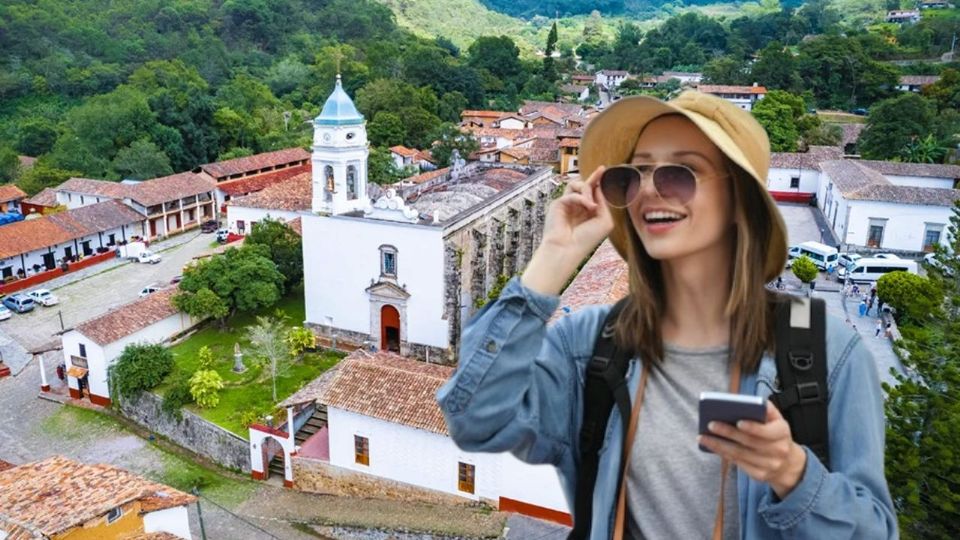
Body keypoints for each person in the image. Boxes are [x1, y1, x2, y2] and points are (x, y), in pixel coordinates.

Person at [437, 91, 896, 539]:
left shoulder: (825, 352)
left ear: (740, 199)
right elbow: (475, 420)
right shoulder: (588, 345)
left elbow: (875, 529)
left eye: (681, 173)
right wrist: (553, 258)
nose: (650, 192)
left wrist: (792, 472)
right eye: (633, 177)